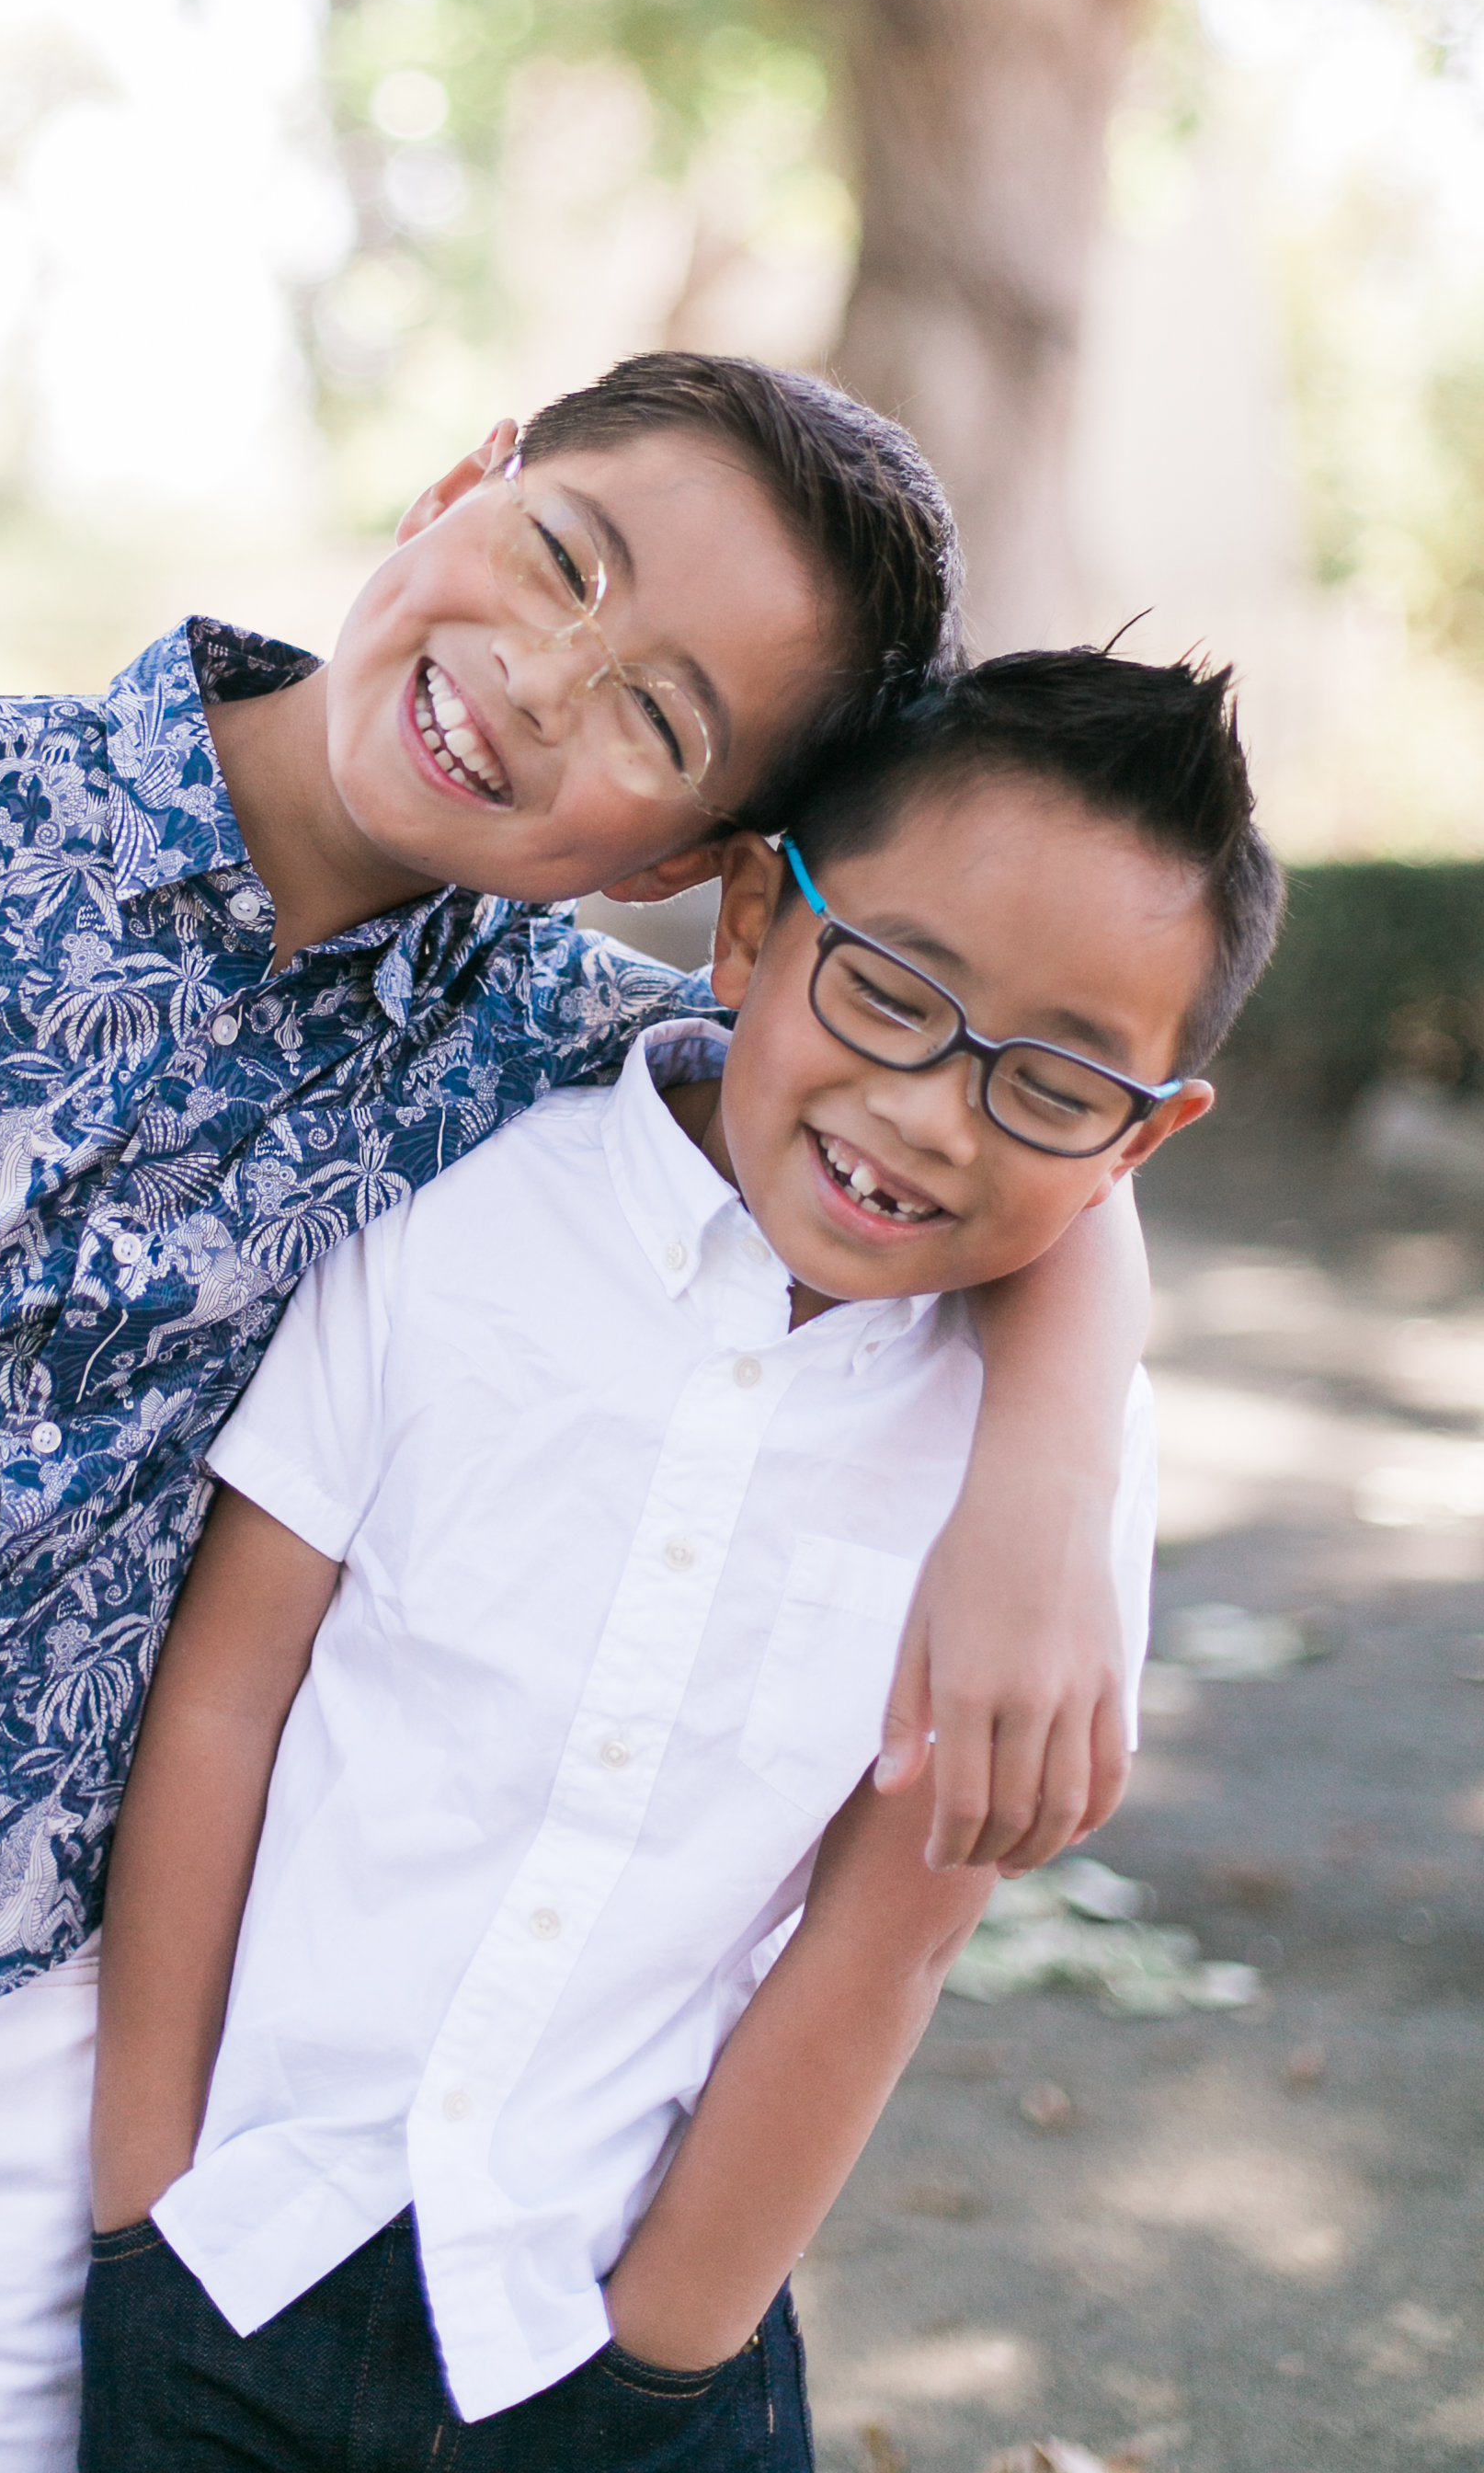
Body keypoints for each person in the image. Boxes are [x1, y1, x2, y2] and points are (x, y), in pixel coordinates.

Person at [0, 358, 1147, 2473]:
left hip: (15, 2040)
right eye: (560, 563)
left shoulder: (546, 1053)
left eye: (657, 721)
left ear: (707, 860)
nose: (538, 680)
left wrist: (1051, 1484)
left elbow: (988, 1132)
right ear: (462, 483)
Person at [81, 647, 1284, 2472]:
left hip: (616, 2340)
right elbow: (225, 1698)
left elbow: (885, 1947)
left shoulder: (1038, 1498)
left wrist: (666, 2354)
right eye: (893, 991)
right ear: (748, 919)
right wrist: (141, 2199)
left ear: (1141, 1142)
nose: (932, 1112)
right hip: (234, 2255)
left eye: (1048, 1086)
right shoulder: (460, 1231)